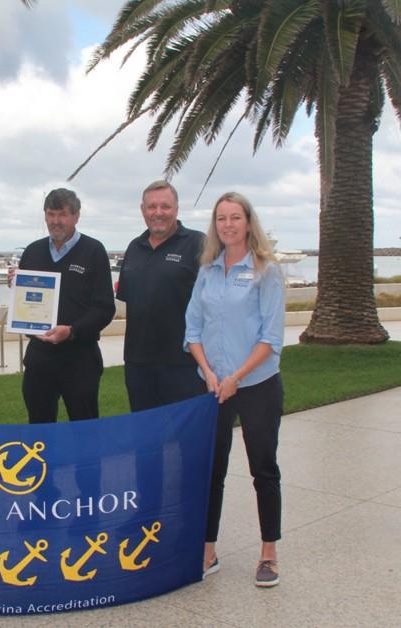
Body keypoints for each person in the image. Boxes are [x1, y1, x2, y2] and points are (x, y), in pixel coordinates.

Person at [184, 192, 285, 588]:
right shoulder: (207, 271)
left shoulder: (266, 271)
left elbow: (270, 338)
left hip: (256, 384)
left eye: (235, 217)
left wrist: (234, 377)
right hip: (212, 385)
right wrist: (208, 371)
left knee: (264, 468)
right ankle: (208, 551)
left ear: (248, 222)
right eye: (221, 218)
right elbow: (192, 330)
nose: (228, 224)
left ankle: (269, 554)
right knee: (213, 470)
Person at [17, 188, 115, 423]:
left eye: (62, 214)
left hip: (80, 360)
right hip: (40, 360)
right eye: (50, 214)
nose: (55, 221)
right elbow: (25, 301)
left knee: (85, 432)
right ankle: (47, 463)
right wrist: (18, 292)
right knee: (39, 433)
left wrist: (72, 331)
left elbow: (104, 308)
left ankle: (86, 463)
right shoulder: (32, 252)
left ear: (76, 216)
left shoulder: (94, 251)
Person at [116, 179, 206, 411]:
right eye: (151, 207)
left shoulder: (198, 243)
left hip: (184, 363)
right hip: (138, 364)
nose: (158, 213)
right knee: (145, 439)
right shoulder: (135, 247)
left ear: (176, 209)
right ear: (142, 210)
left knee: (186, 439)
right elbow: (131, 299)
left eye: (165, 206)